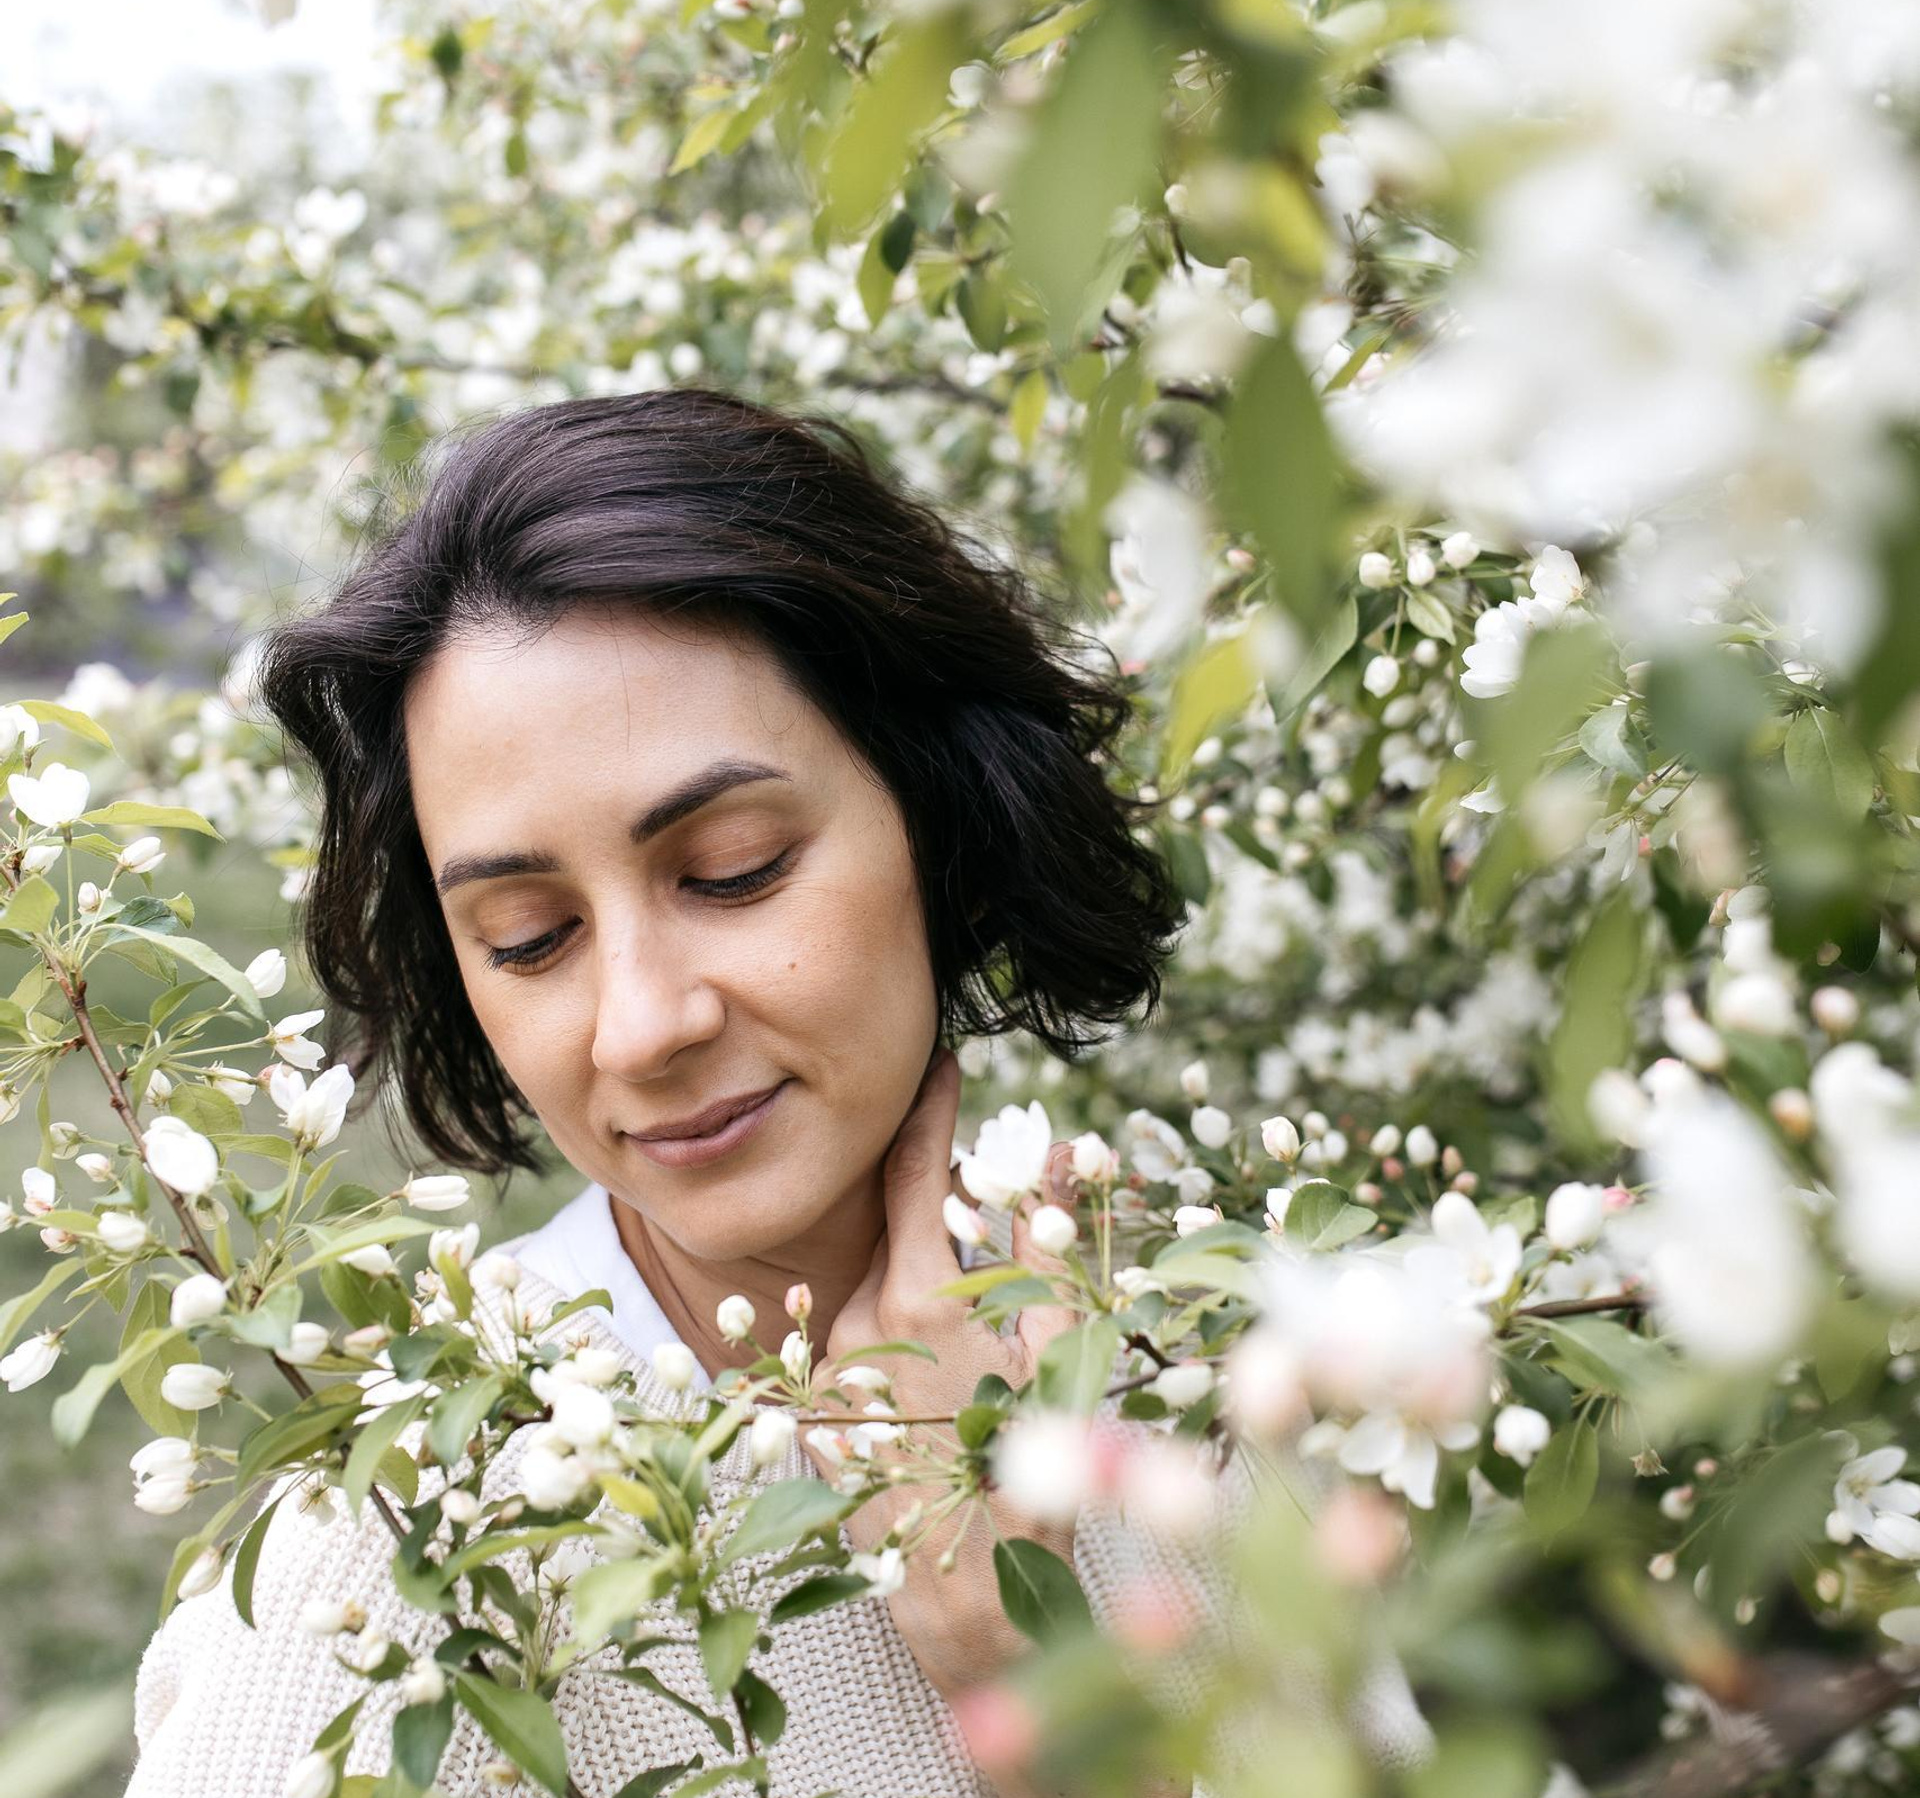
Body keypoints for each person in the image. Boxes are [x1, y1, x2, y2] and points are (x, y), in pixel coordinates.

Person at [126, 387, 1428, 1796]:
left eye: (734, 867)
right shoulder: (398, 1552)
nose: (641, 1026)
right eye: (529, 938)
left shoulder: (1196, 1362)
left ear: (936, 815)